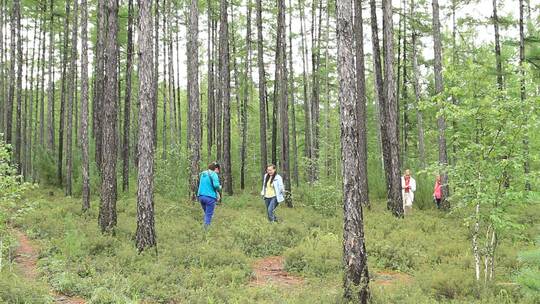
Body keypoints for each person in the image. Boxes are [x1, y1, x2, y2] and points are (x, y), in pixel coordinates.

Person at [197, 162, 222, 229]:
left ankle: (206, 224)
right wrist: (220, 187)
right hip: (210, 197)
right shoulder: (214, 174)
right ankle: (206, 231)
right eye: (218, 170)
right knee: (208, 215)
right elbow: (216, 185)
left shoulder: (203, 173)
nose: (218, 171)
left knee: (207, 213)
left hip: (201, 196)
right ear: (216, 168)